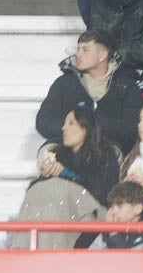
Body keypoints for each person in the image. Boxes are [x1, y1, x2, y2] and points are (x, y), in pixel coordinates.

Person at [14, 106, 122, 249]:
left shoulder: (106, 154)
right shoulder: (59, 155)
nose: (64, 128)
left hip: (92, 214)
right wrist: (46, 176)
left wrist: (66, 175)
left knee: (58, 188)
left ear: (85, 127)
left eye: (70, 123)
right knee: (37, 190)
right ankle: (23, 252)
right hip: (60, 211)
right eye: (64, 123)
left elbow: (103, 192)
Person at [36, 29, 141, 153]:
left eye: (85, 50)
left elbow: (131, 128)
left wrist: (95, 128)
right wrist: (75, 130)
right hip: (65, 145)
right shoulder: (64, 83)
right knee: (47, 155)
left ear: (102, 55)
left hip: (108, 145)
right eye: (78, 49)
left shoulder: (125, 85)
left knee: (112, 155)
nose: (78, 54)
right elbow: (44, 122)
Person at [88, 181, 143, 250]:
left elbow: (139, 267)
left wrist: (114, 235)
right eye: (112, 206)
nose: (113, 211)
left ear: (138, 209)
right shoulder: (109, 229)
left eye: (119, 206)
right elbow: (88, 260)